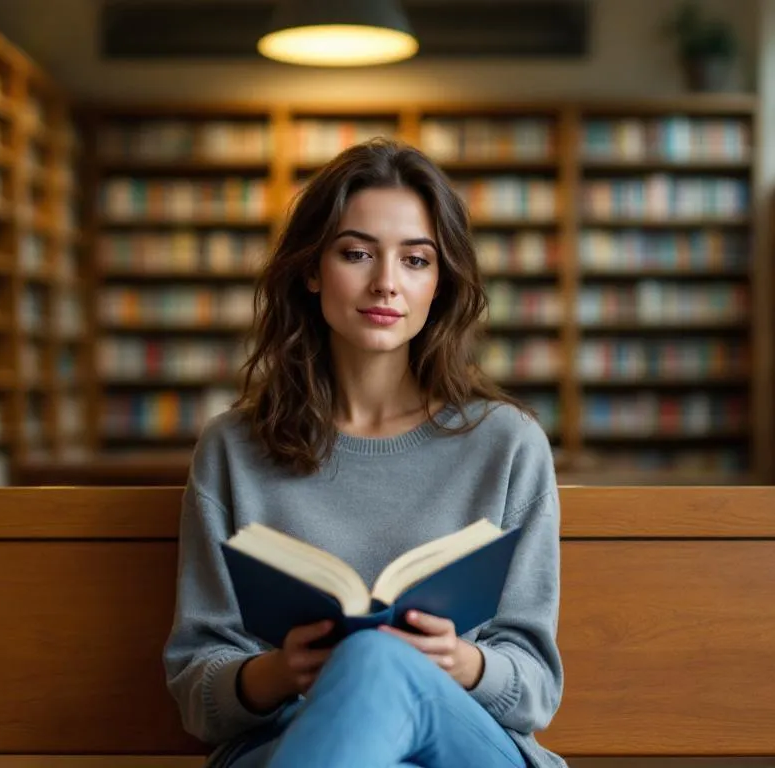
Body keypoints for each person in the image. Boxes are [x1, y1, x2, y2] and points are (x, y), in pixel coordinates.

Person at [162, 137, 565, 768]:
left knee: (378, 657)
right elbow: (198, 688)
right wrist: (278, 671)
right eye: (357, 254)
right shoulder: (233, 449)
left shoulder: (506, 444)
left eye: (415, 260)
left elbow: (536, 686)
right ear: (311, 269)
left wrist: (461, 662)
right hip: (288, 740)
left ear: (441, 282)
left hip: (463, 743)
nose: (385, 284)